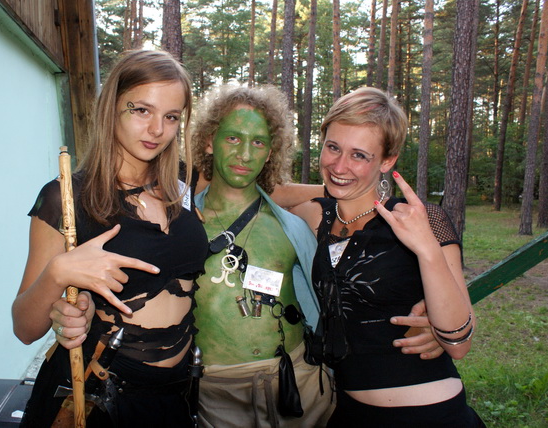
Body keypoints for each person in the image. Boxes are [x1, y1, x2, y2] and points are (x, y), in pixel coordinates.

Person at [190, 84, 444, 428]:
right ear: (209, 140)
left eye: (259, 142)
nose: (245, 154)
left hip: (302, 385)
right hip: (216, 393)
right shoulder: (182, 224)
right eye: (233, 138)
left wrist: (440, 322)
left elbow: (352, 282)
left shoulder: (294, 226)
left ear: (271, 151)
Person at [12, 49, 208, 427]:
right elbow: (24, 328)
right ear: (111, 107)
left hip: (175, 396)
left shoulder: (182, 185)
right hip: (99, 395)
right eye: (142, 110)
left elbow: (251, 187)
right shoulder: (66, 198)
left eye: (171, 117)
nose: (158, 130)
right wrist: (59, 273)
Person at [291, 87, 485, 427]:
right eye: (333, 147)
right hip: (347, 412)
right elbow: (259, 190)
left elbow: (459, 342)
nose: (339, 165)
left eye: (359, 155)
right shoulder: (313, 215)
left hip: (428, 415)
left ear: (387, 160)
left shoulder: (422, 220)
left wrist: (427, 250)